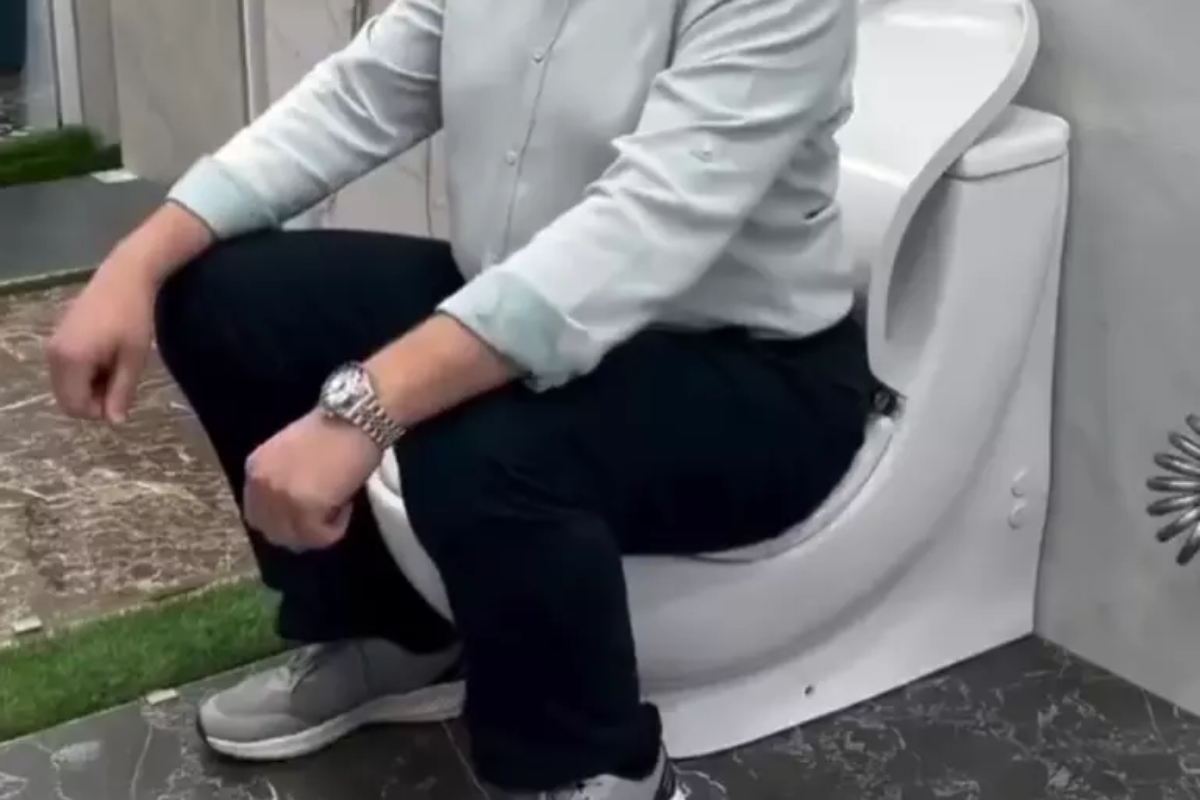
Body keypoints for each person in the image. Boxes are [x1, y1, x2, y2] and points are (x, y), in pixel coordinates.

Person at [46, 0, 869, 796]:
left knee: (473, 440)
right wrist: (136, 262)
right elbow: (354, 98)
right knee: (225, 299)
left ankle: (596, 769)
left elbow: (643, 226)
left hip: (750, 373)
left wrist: (364, 407)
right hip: (519, 300)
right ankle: (396, 635)